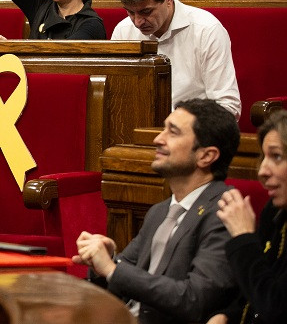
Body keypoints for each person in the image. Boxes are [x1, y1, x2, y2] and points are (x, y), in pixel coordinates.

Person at [74, 98, 240, 324]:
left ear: (206, 156)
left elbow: (194, 299)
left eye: (173, 132)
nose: (158, 139)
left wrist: (113, 269)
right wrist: (104, 261)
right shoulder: (160, 212)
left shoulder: (223, 213)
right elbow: (126, 277)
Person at [111, 0, 241, 118]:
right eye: (130, 12)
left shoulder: (206, 30)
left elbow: (228, 107)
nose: (137, 22)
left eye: (146, 12)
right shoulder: (123, 31)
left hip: (192, 134)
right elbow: (118, 99)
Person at [210, 110, 287, 324]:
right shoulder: (276, 211)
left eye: (277, 156)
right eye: (264, 157)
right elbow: (251, 294)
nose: (262, 170)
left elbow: (276, 309)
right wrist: (226, 315)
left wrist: (244, 237)